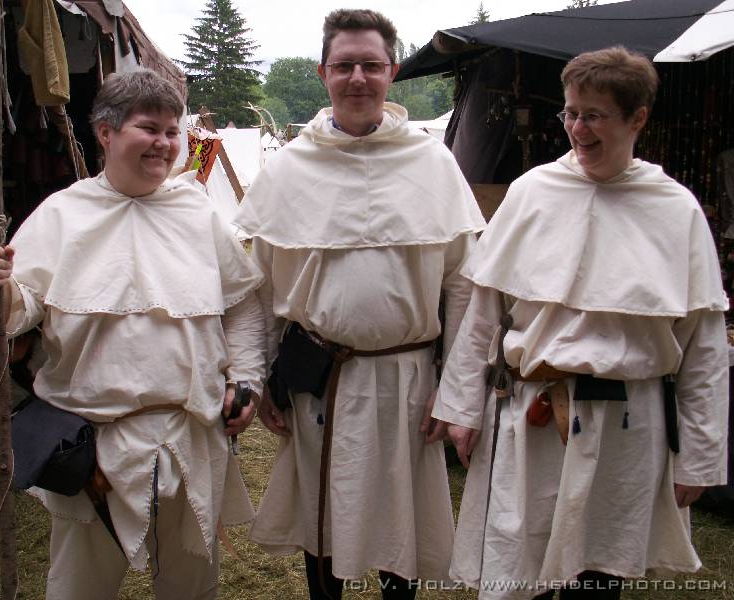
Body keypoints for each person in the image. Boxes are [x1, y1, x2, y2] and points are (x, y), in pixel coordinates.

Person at [434, 46, 729, 600]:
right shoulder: (531, 192)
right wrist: (460, 409)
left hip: (626, 429)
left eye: (594, 115)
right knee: (516, 570)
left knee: (597, 575)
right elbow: (483, 316)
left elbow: (704, 350)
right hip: (530, 417)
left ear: (637, 119)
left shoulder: (675, 209)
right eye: (570, 112)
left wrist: (700, 457)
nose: (577, 128)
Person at [0, 69, 265, 600]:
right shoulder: (62, 215)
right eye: (149, 128)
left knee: (192, 588)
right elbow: (14, 316)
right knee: (79, 590)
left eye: (172, 131)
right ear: (105, 133)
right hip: (94, 450)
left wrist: (245, 379)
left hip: (191, 438)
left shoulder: (197, 212)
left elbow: (242, 302)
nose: (164, 143)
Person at [233, 8, 486, 600]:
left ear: (391, 71)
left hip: (409, 379)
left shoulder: (432, 163)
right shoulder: (288, 168)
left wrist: (456, 389)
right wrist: (259, 377)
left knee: (405, 515)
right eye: (344, 65)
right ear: (323, 71)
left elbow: (463, 286)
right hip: (321, 380)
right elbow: (260, 288)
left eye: (371, 65)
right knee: (322, 512)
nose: (357, 78)